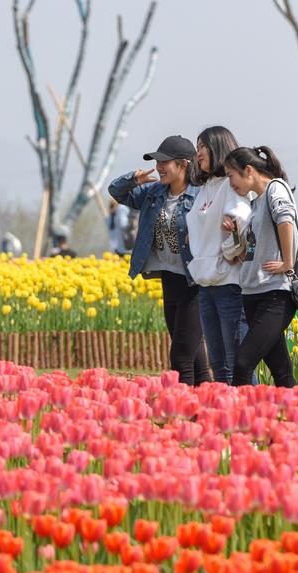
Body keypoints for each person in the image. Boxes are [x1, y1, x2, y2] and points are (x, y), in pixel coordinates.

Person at [108, 135, 211, 386]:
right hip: (169, 278)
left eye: (165, 162)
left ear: (183, 164)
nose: (159, 167)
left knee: (180, 357)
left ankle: (184, 406)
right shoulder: (153, 192)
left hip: (194, 282)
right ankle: (208, 402)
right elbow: (115, 192)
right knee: (195, 356)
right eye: (158, 162)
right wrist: (133, 180)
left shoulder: (201, 195)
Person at [224, 146, 298, 388]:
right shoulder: (256, 202)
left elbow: (286, 221)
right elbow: (249, 254)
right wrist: (236, 235)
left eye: (231, 176)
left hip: (274, 294)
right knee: (280, 370)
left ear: (248, 170)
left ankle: (241, 412)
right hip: (252, 292)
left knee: (243, 364)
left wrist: (288, 262)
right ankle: (297, 409)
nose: (230, 183)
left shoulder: (276, 188)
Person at [185, 126, 252, 384]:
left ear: (218, 147)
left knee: (236, 364)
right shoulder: (205, 188)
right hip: (206, 284)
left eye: (203, 146)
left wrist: (231, 248)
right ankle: (223, 408)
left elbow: (241, 221)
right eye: (197, 147)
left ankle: (250, 406)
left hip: (229, 284)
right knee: (218, 365)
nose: (198, 153)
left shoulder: (229, 184)